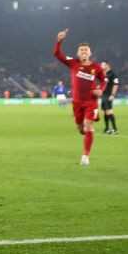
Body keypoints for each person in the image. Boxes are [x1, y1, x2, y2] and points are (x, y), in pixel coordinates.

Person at [53, 30, 107, 165]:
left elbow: (104, 81)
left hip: (91, 101)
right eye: (81, 50)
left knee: (89, 126)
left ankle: (85, 156)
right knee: (81, 128)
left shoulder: (96, 67)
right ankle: (86, 134)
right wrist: (59, 40)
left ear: (90, 53)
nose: (83, 51)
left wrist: (101, 90)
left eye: (86, 50)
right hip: (77, 102)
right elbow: (57, 54)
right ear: (78, 53)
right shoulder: (73, 63)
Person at [100, 61, 119, 134]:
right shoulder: (104, 74)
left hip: (109, 95)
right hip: (104, 95)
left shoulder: (112, 74)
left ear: (107, 65)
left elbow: (116, 84)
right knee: (105, 112)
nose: (101, 66)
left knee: (109, 112)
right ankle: (107, 128)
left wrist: (113, 95)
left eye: (103, 64)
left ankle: (115, 129)